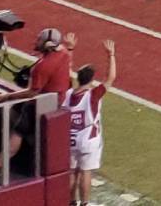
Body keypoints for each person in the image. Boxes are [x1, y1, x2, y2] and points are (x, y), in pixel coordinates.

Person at [64, 39, 115, 206]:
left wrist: (70, 49)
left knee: (72, 172)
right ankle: (84, 203)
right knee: (86, 172)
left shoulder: (68, 93)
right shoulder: (93, 95)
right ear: (91, 79)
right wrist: (111, 55)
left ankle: (71, 202)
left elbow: (66, 71)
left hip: (70, 138)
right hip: (88, 139)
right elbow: (111, 78)